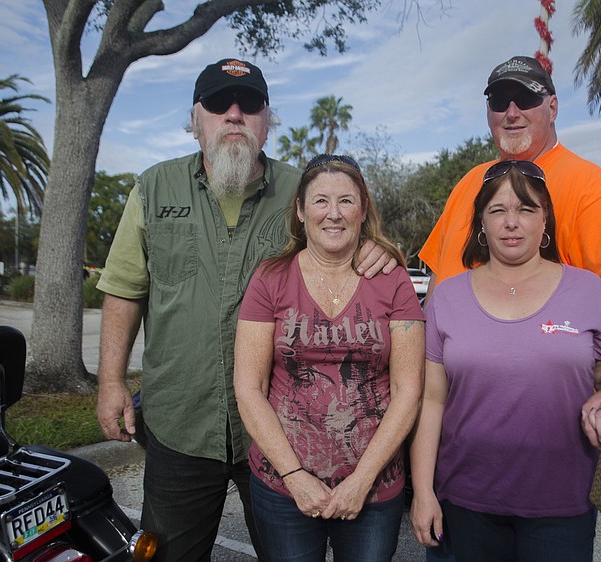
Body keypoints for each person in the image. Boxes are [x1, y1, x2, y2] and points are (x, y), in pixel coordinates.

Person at [95, 60, 394, 561]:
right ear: (196, 118)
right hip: (180, 423)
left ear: (266, 119)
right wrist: (110, 382)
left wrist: (376, 251)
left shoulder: (305, 194)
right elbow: (125, 289)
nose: (233, 115)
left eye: (249, 105)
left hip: (284, 435)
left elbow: (351, 247)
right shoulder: (154, 189)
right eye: (218, 104)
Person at [410, 161, 601, 560]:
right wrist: (422, 493)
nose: (511, 222)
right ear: (481, 225)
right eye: (498, 211)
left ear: (545, 222)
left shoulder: (589, 292)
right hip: (467, 501)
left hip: (562, 506)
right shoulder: (447, 298)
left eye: (526, 209)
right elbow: (432, 401)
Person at [420, 55, 601, 447]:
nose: (511, 112)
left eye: (525, 99)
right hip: (455, 422)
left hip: (547, 428)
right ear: (488, 113)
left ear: (552, 107)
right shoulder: (469, 185)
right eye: (500, 101)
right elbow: (438, 282)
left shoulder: (590, 186)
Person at [233, 154, 425, 561]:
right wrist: (294, 475)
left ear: (363, 210)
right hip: (284, 486)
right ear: (301, 211)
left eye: (346, 201)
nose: (333, 214)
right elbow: (249, 388)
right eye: (320, 201)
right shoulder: (270, 278)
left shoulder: (392, 280)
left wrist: (362, 480)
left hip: (373, 489)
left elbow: (409, 390)